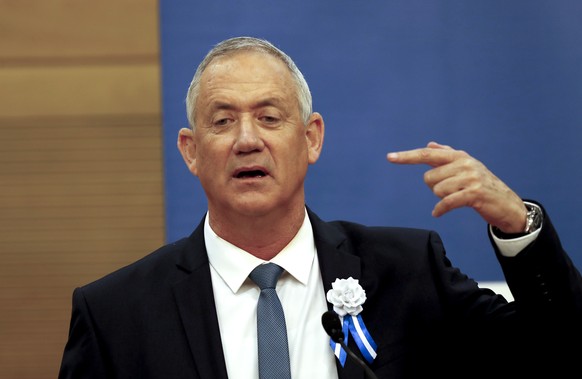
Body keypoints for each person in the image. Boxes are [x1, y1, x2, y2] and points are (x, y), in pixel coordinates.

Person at [58, 36, 582, 379]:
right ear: (191, 151)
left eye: (269, 117)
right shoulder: (115, 315)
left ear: (311, 139)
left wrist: (519, 227)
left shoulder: (408, 271)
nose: (246, 140)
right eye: (222, 121)